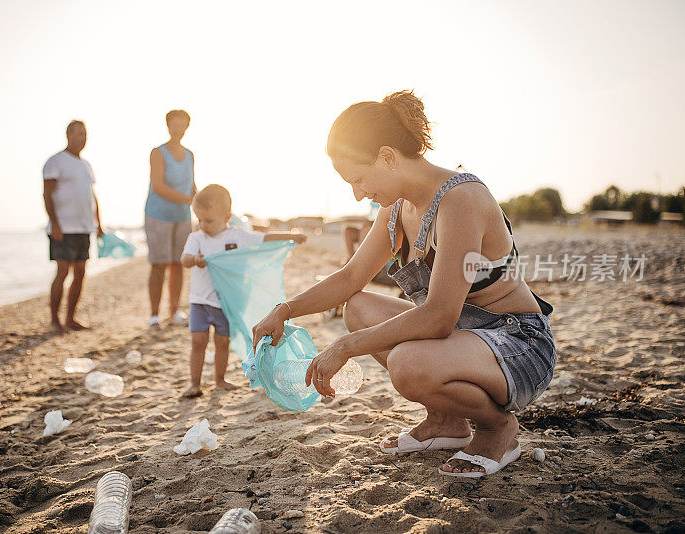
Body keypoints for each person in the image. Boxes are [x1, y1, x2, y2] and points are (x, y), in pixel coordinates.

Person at [252, 91, 556, 478]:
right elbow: (349, 278)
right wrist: (284, 310)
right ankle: (446, 421)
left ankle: (499, 428)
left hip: (517, 346)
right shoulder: (396, 210)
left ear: (388, 157)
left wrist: (346, 347)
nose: (358, 193)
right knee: (358, 307)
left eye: (358, 179)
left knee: (407, 364)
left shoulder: (460, 201)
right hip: (465, 342)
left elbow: (440, 317)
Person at [181, 184, 306, 398]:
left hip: (227, 303)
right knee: (198, 341)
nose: (202, 225)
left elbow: (264, 238)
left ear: (227, 217)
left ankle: (220, 380)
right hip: (200, 302)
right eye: (198, 220)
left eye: (208, 220)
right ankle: (195, 383)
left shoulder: (237, 237)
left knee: (222, 342)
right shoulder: (197, 238)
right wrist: (194, 259)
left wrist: (291, 236)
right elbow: (184, 260)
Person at [42, 120, 103, 332]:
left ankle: (70, 318)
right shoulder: (55, 162)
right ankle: (54, 320)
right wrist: (55, 223)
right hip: (63, 228)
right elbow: (47, 194)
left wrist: (99, 223)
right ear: (68, 135)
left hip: (84, 227)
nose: (82, 138)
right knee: (62, 272)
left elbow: (92, 196)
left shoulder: (86, 165)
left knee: (80, 272)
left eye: (85, 134)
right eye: (78, 134)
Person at [144, 110, 196, 330]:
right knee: (159, 264)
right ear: (168, 126)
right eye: (175, 125)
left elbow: (192, 185)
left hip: (182, 216)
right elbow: (158, 186)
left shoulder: (190, 154)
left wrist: (203, 202)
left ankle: (173, 312)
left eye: (183, 125)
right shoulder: (158, 152)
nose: (179, 130)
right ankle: (154, 315)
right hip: (159, 216)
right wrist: (188, 200)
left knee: (178, 264)